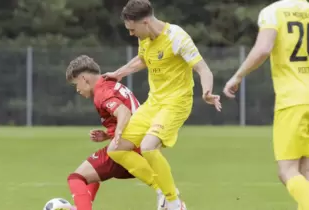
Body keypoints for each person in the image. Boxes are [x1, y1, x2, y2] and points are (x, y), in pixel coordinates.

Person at [103, 0, 221, 209]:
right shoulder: (145, 38)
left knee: (148, 147)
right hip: (153, 103)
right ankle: (163, 190)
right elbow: (142, 60)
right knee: (116, 149)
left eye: (132, 29)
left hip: (176, 103)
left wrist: (207, 91)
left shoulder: (177, 38)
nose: (131, 34)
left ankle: (175, 204)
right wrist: (118, 73)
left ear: (146, 22)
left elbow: (203, 69)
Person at [223, 0, 309, 209]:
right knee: (305, 172)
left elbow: (263, 49)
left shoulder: (273, 11)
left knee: (287, 171)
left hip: (293, 99)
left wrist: (237, 76)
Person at [62, 55, 168, 210]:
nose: (77, 89)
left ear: (84, 78)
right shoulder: (111, 84)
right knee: (90, 177)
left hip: (127, 150)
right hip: (144, 145)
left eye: (75, 84)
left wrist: (117, 134)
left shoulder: (101, 92)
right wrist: (108, 134)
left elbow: (124, 112)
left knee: (76, 178)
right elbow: (130, 112)